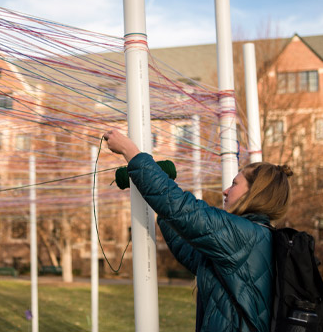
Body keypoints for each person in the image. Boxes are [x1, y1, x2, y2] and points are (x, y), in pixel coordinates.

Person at [103, 130, 293, 332]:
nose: (226, 190)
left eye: (235, 184)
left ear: (255, 193)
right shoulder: (254, 236)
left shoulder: (244, 235)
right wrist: (161, 206)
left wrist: (130, 151)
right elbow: (193, 254)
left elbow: (183, 209)